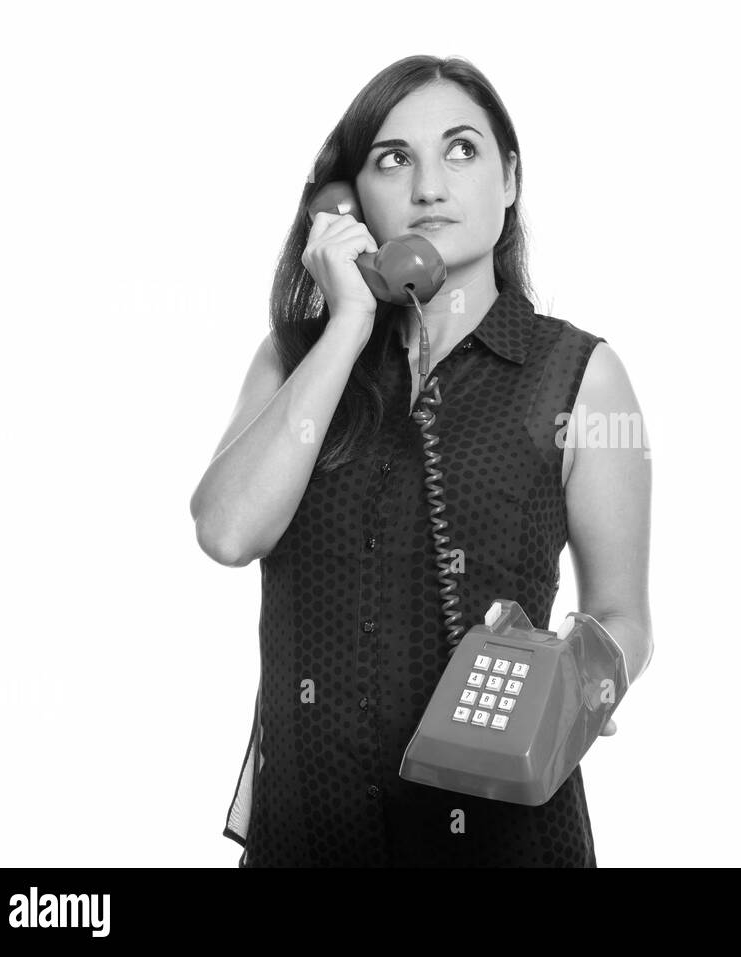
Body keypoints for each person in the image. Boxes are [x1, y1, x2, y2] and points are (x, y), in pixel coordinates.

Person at [189, 55, 653, 867]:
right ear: (348, 200)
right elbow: (228, 531)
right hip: (309, 834)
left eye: (463, 151)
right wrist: (344, 327)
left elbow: (625, 615)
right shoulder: (296, 362)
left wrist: (585, 682)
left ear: (509, 180)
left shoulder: (580, 376)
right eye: (393, 159)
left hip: (504, 841)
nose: (429, 186)